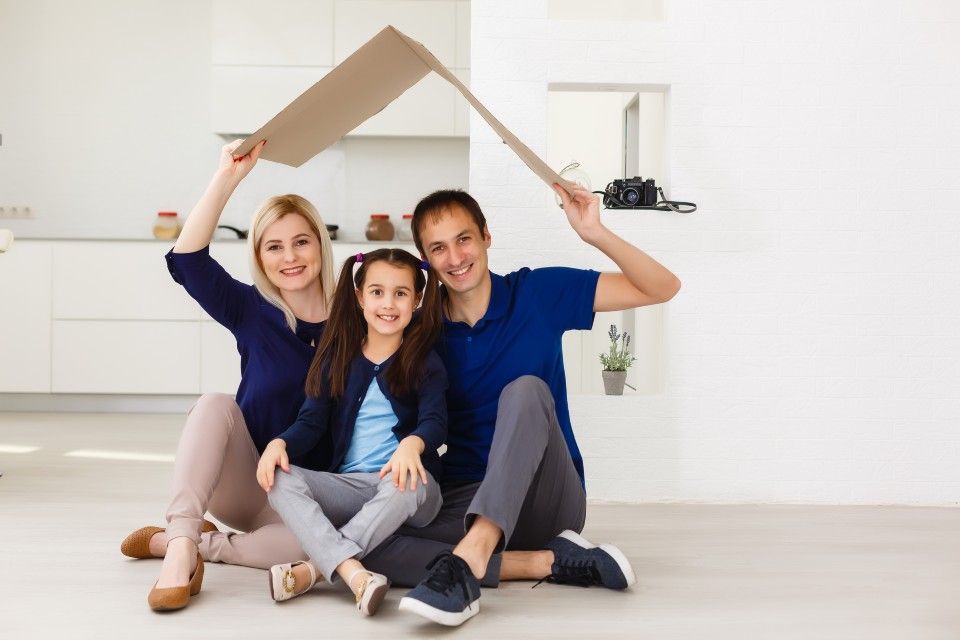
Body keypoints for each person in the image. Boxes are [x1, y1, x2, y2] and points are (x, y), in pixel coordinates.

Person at [353, 185, 681, 626]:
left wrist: (595, 232)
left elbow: (662, 287)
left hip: (549, 499)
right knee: (367, 544)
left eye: (464, 239)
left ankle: (470, 560)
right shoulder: (421, 332)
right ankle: (544, 563)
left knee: (526, 389)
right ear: (428, 262)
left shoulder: (537, 293)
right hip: (467, 497)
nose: (455, 257)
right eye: (439, 248)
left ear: (486, 236)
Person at [119, 139, 337, 612]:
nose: (290, 257)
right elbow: (188, 260)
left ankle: (197, 546)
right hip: (246, 485)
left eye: (301, 241)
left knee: (309, 550)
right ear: (260, 257)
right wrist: (227, 177)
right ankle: (179, 544)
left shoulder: (357, 319)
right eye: (273, 246)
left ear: (321, 244)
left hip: (310, 500)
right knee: (216, 403)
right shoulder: (251, 310)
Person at [256, 248, 446, 617]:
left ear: (417, 299)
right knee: (278, 478)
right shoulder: (337, 356)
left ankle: (314, 570)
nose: (388, 304)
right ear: (359, 297)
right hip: (353, 486)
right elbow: (310, 423)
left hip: (411, 486)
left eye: (401, 293)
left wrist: (413, 443)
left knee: (406, 480)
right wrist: (280, 442)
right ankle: (353, 572)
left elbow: (436, 421)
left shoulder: (424, 359)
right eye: (377, 292)